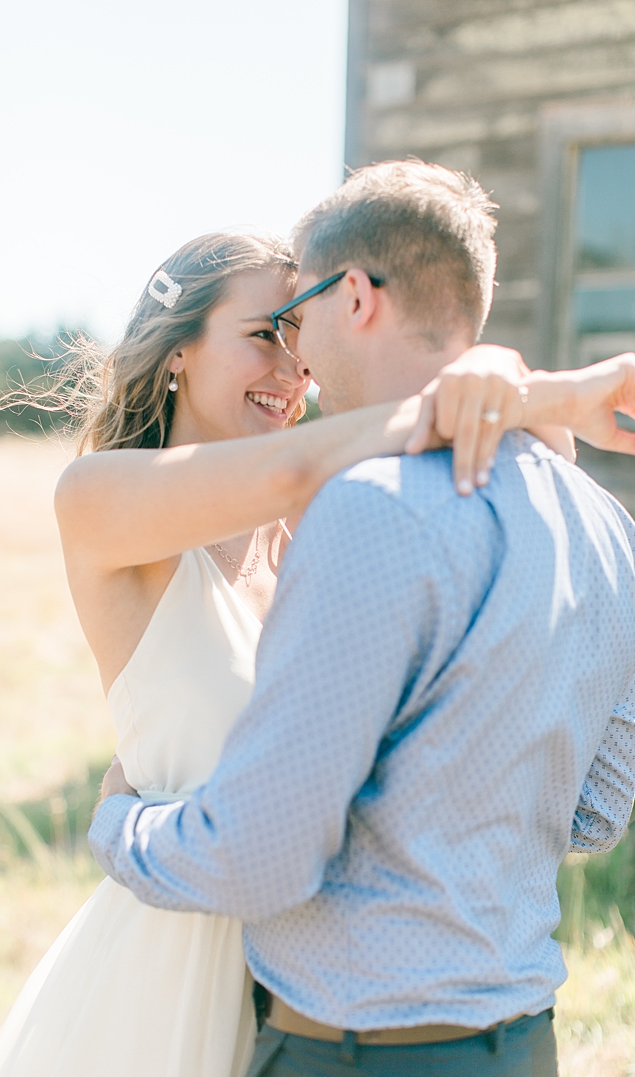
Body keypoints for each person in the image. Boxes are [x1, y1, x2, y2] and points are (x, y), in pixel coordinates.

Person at [85, 160, 635, 1076]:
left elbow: (264, 860)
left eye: (293, 319)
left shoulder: (361, 512)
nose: (294, 359)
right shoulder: (607, 527)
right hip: (522, 1039)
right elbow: (599, 807)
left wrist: (115, 825)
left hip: (354, 1049)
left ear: (358, 298)